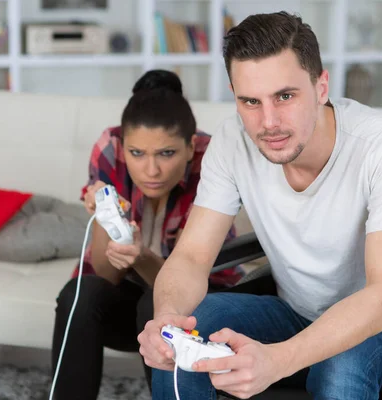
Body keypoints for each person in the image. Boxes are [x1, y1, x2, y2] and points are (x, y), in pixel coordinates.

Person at [137, 12, 382, 400]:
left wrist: (278, 360)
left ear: (321, 87)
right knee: (192, 331)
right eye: (250, 101)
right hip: (297, 313)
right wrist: (168, 320)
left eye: (285, 96)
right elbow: (190, 257)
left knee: (338, 367)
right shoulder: (232, 141)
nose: (268, 122)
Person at [50, 69, 244, 400]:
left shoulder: (211, 159)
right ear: (123, 146)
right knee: (78, 294)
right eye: (137, 153)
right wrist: (106, 219)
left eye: (166, 154)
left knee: (151, 306)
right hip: (127, 303)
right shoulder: (109, 150)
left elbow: (188, 275)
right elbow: (106, 274)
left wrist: (141, 257)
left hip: (199, 304)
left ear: (190, 147)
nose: (151, 171)